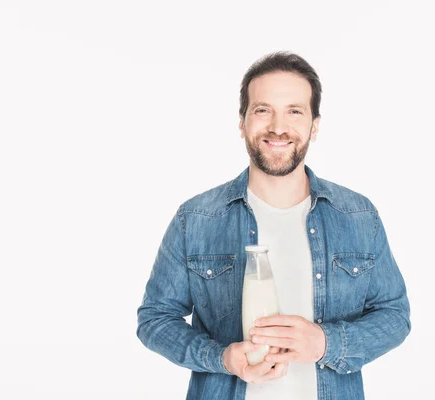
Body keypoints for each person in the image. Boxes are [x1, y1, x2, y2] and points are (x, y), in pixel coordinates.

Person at [137, 51, 411, 400]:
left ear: (314, 125)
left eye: (294, 112)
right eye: (263, 110)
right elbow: (155, 319)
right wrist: (222, 358)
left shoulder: (357, 215)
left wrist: (326, 343)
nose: (278, 127)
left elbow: (394, 315)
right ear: (242, 122)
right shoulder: (196, 219)